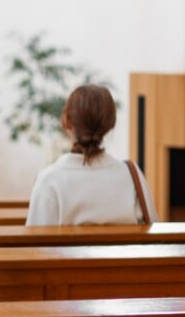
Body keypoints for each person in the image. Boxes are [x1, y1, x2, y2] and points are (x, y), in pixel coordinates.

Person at [26, 84, 157, 225]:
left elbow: (35, 244)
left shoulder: (49, 180)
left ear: (66, 122)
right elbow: (154, 230)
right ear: (111, 124)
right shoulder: (132, 175)